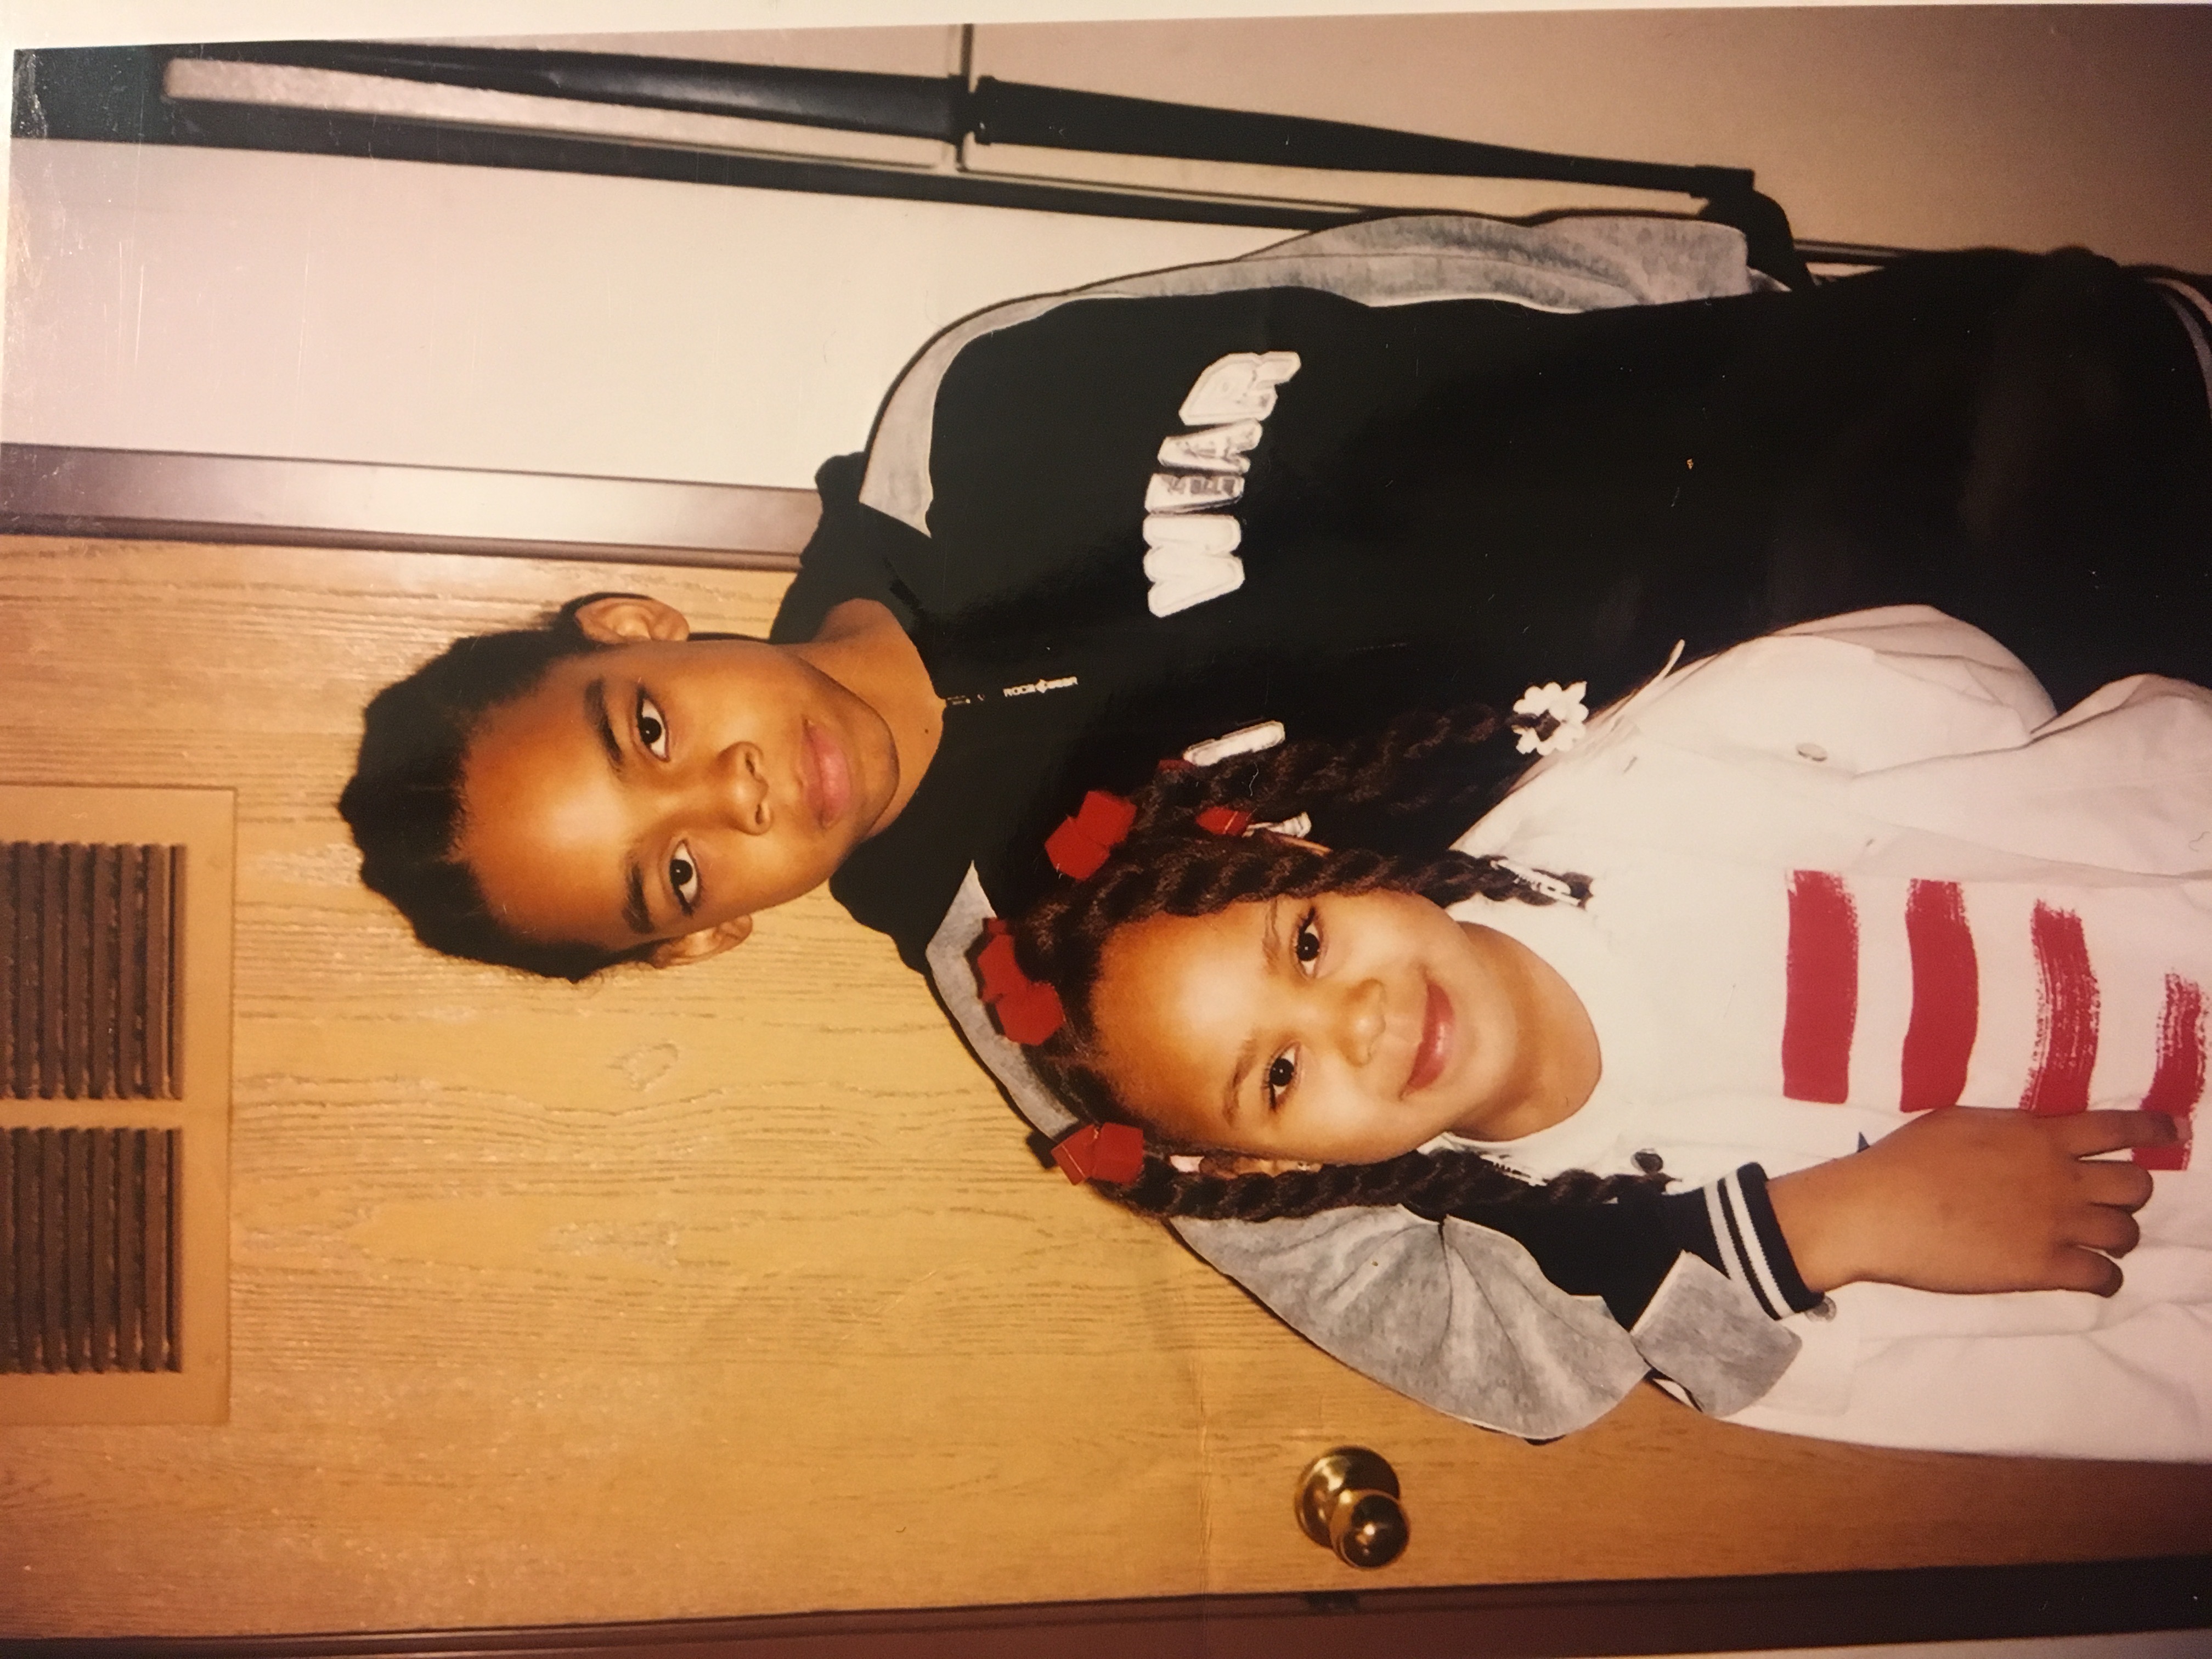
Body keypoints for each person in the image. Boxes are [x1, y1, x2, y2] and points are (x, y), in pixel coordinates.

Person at [341, 212, 2212, 1435]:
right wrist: (1787, 1249)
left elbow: (1398, 280)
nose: (734, 794)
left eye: (647, 728)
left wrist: (1745, 298)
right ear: (702, 931)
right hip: (1933, 835)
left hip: (1876, 452)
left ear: (632, 630)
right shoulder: (1054, 993)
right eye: (674, 867)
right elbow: (1474, 1336)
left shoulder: (974, 410)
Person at [966, 606, 2208, 1458]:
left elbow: (1957, 680)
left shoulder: (1635, 789)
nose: (1360, 1018)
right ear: (1274, 1167)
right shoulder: (1682, 1291)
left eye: (1304, 946)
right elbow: (2121, 1388)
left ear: (1304, 854)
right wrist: (1859, 1219)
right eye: (1280, 1074)